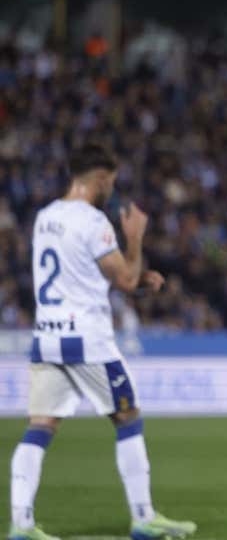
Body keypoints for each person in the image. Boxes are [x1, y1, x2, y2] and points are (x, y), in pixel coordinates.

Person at [11, 143, 196, 540]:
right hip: (87, 340)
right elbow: (126, 279)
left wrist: (135, 279)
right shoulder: (93, 222)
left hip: (47, 338)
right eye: (109, 182)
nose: (111, 190)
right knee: (128, 417)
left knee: (39, 427)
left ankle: (21, 525)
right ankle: (144, 517)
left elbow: (80, 272)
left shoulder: (45, 218)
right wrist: (135, 238)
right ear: (98, 179)